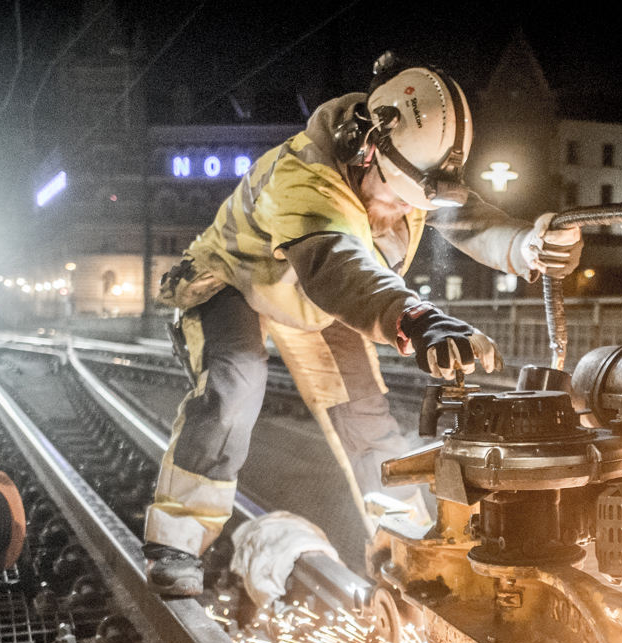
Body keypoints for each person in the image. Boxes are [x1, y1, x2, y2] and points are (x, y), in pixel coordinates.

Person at [144, 55, 582, 596]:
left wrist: (527, 245)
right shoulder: (303, 176)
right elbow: (338, 267)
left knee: (367, 420)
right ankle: (176, 543)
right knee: (236, 385)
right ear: (366, 148)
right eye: (395, 195)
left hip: (318, 300)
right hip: (237, 280)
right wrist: (416, 317)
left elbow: (470, 221)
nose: (399, 211)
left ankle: (410, 553)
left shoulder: (411, 168)